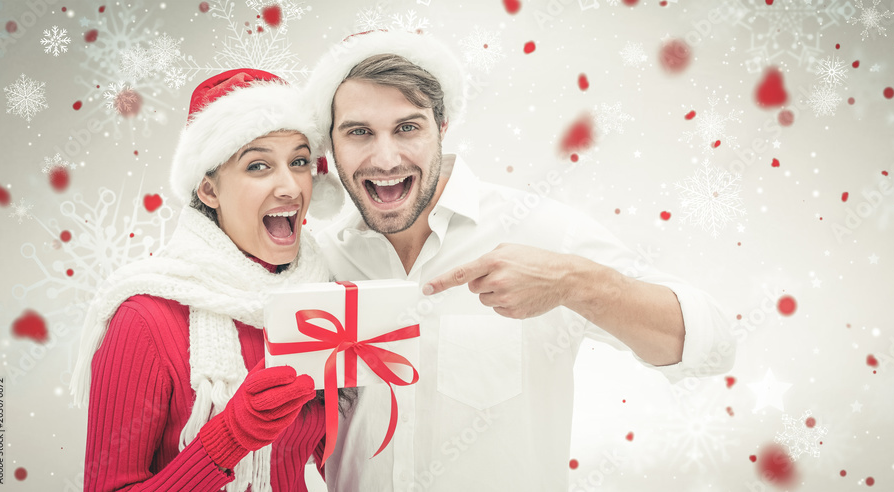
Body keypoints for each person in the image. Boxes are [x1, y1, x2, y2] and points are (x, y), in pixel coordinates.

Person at [304, 30, 736, 490]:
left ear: (442, 128)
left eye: (408, 127)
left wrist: (575, 282)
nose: (386, 158)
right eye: (359, 133)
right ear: (330, 145)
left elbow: (713, 347)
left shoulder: (540, 229)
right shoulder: (316, 261)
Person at [70, 69, 347, 492]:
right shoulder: (145, 318)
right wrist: (226, 441)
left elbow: (345, 462)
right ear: (208, 191)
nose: (291, 186)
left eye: (299, 161)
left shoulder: (319, 298)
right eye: (258, 166)